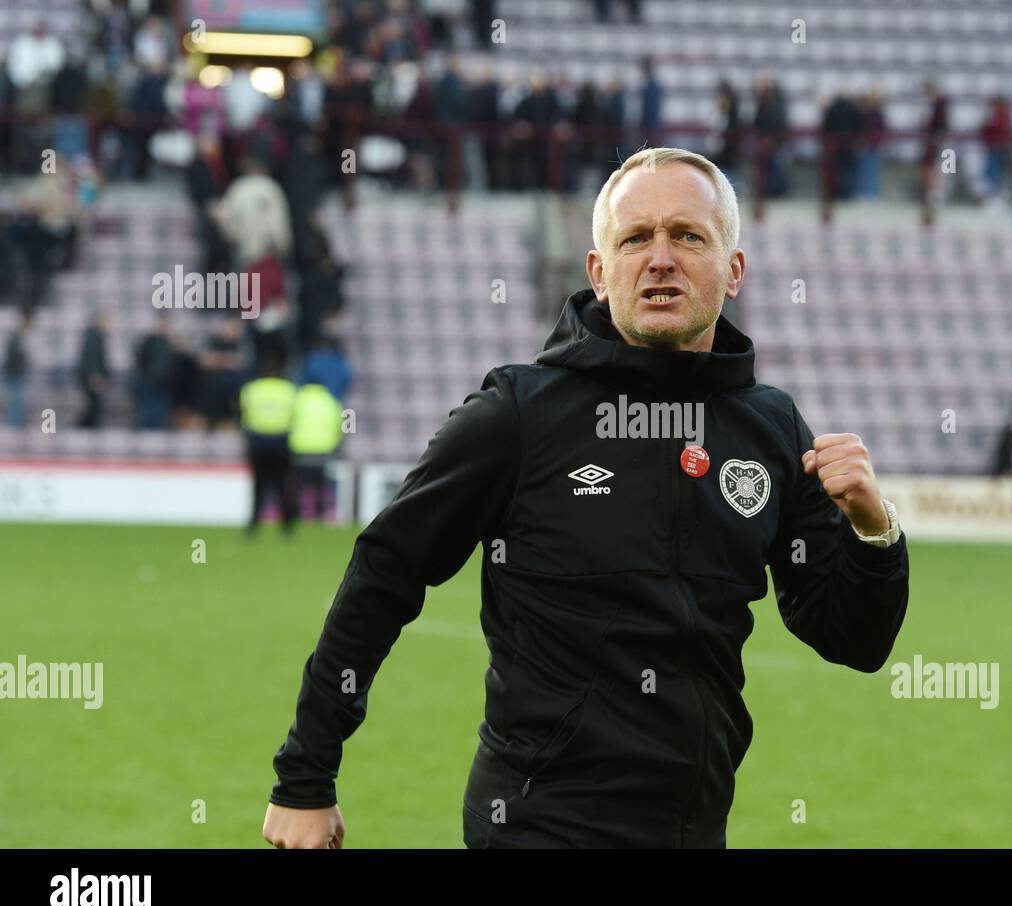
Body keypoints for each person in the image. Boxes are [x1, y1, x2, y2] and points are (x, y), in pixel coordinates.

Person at [263, 147, 910, 850]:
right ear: (600, 273)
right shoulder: (518, 413)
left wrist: (874, 533)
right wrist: (305, 778)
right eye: (636, 238)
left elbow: (855, 641)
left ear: (734, 269)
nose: (660, 258)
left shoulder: (771, 427)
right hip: (540, 827)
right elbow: (384, 574)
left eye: (688, 236)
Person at [240, 356, 297, 535]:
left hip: (258, 441)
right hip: (280, 441)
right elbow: (294, 415)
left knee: (259, 486)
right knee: (281, 485)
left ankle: (254, 524)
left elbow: (245, 414)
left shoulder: (251, 389)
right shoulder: (288, 389)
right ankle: (287, 525)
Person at [289, 381, 344, 522]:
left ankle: (306, 513)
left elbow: (288, 421)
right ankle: (327, 513)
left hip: (300, 448)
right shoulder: (332, 401)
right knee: (323, 484)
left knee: (304, 484)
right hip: (324, 449)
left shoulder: (297, 399)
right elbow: (341, 426)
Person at [76, 310, 111, 428]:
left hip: (92, 376)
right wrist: (94, 375)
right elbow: (90, 357)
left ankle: (86, 429)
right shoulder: (92, 336)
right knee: (93, 406)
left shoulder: (97, 336)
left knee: (93, 406)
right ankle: (83, 429)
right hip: (91, 377)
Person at [3, 311, 31, 428]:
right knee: (15, 400)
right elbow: (12, 357)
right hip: (13, 374)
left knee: (18, 400)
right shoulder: (16, 339)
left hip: (17, 374)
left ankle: (17, 423)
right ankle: (13, 424)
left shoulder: (20, 338)